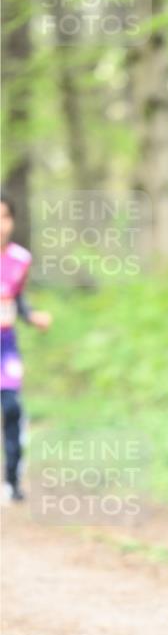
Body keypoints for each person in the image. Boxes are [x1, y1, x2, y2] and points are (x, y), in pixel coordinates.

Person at [1, 194, 52, 502]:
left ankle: (12, 480)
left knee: (11, 409)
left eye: (4, 216)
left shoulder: (21, 259)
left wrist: (33, 316)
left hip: (5, 347)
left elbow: (17, 301)